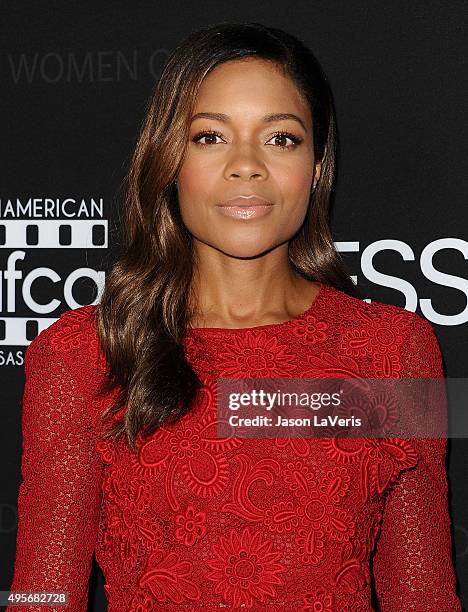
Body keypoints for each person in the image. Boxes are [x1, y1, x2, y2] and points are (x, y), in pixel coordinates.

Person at [7, 22, 462, 612]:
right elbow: (41, 597)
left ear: (318, 165)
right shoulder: (81, 354)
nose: (245, 166)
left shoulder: (394, 351)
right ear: (169, 161)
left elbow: (423, 597)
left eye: (280, 140)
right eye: (209, 138)